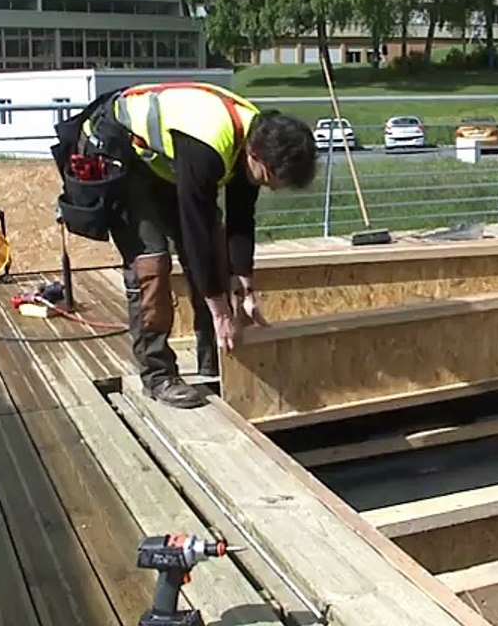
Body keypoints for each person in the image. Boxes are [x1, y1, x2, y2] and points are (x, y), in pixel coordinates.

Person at [52, 82, 318, 408]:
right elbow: (194, 232)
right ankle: (157, 374)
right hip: (119, 150)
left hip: (161, 161)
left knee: (215, 250)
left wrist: (245, 288)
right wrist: (221, 311)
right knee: (151, 261)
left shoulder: (255, 136)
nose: (271, 188)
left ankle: (214, 355)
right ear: (255, 155)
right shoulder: (209, 143)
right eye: (268, 179)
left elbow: (240, 218)